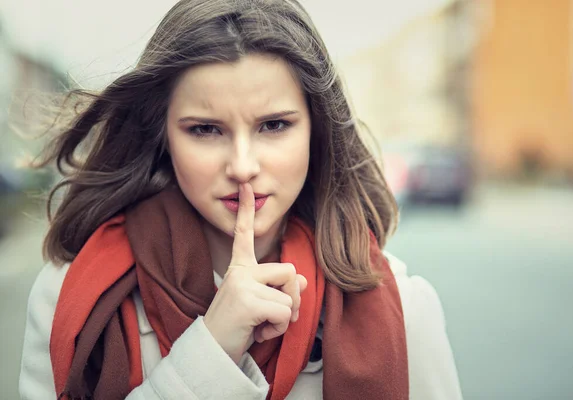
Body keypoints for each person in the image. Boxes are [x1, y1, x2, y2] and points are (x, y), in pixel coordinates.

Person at [19, 0, 463, 399]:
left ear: (316, 130)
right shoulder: (71, 297)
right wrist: (211, 349)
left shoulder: (405, 309)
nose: (243, 165)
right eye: (205, 129)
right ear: (162, 137)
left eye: (273, 125)